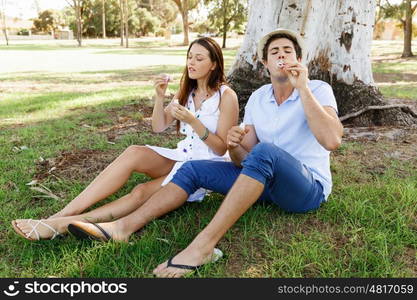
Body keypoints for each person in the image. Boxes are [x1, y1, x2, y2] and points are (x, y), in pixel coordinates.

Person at [64, 28, 344, 277]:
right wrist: (235, 145)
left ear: (298, 59)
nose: (282, 55)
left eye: (288, 51)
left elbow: (331, 140)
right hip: (264, 187)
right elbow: (245, 161)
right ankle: (122, 228)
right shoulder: (258, 98)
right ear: (264, 64)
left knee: (267, 152)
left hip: (307, 190)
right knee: (192, 168)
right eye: (275, 51)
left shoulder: (318, 89)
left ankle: (202, 247)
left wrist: (303, 89)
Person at [11, 37, 239, 241]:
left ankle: (60, 226)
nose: (191, 62)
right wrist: (159, 98)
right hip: (182, 155)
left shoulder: (226, 96)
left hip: (204, 166)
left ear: (214, 64)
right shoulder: (188, 91)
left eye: (199, 58)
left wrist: (194, 121)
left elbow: (221, 150)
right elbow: (158, 126)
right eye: (190, 57)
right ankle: (61, 214)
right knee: (134, 151)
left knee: (140, 192)